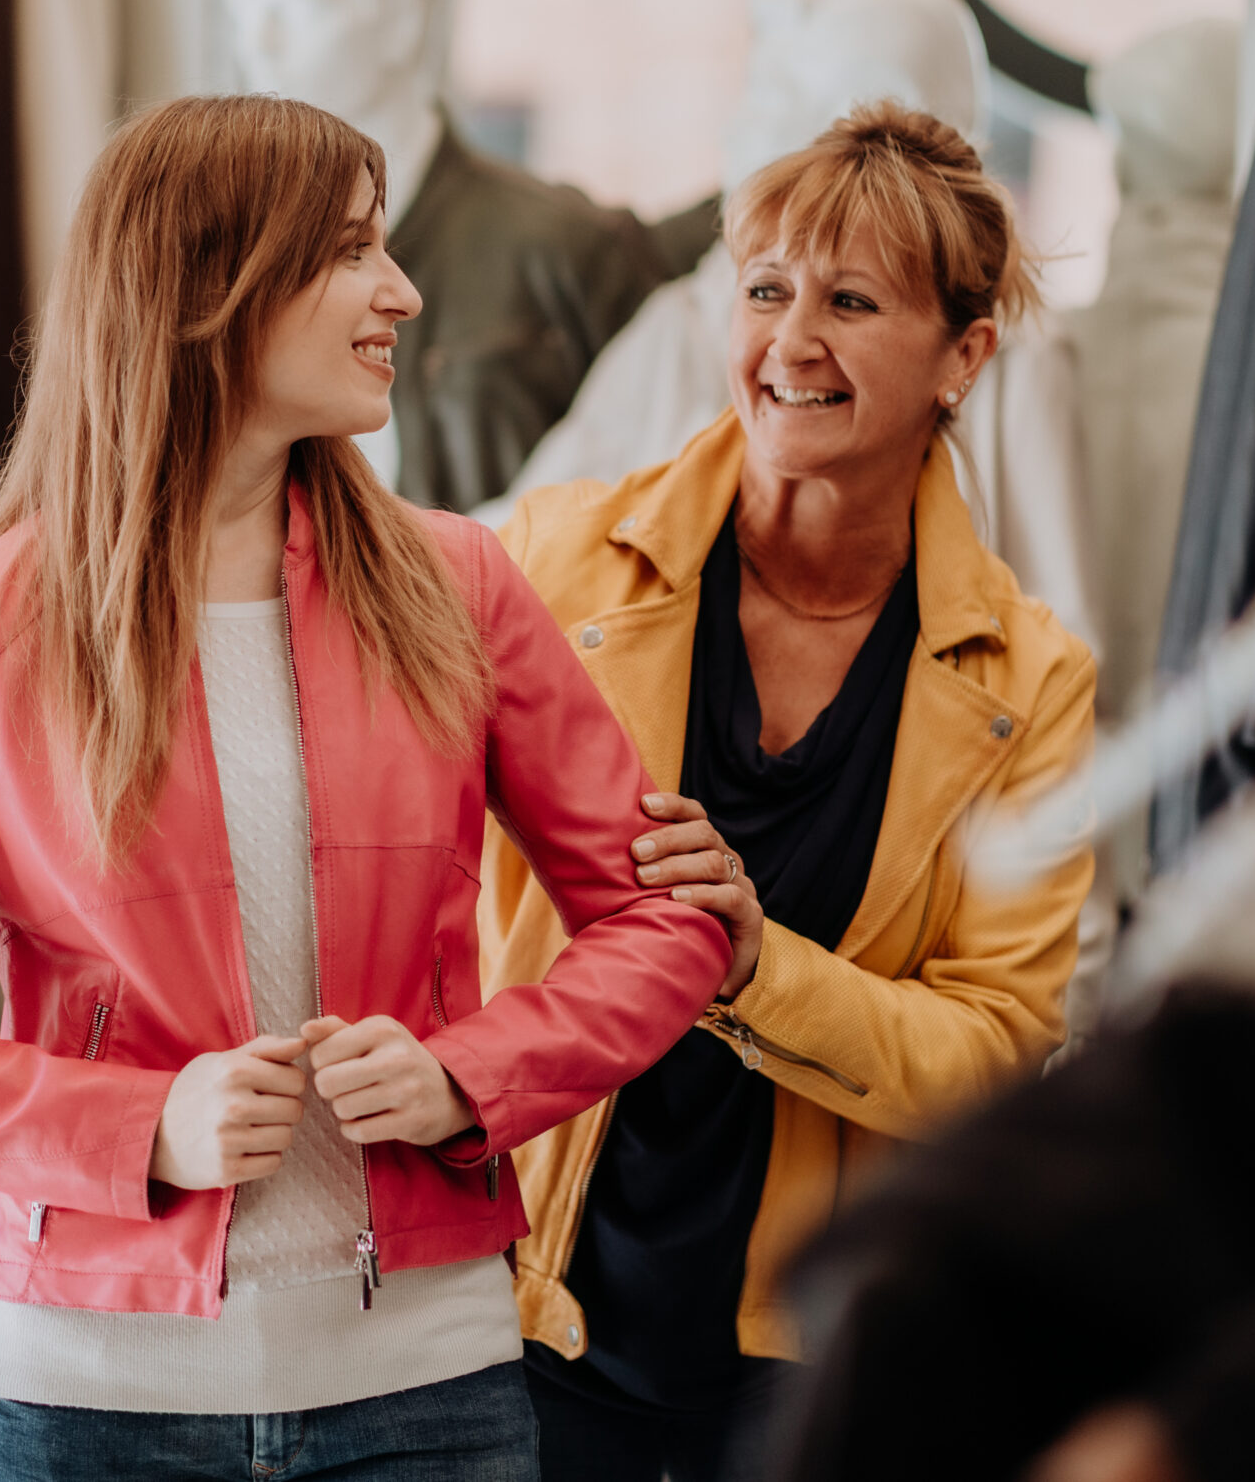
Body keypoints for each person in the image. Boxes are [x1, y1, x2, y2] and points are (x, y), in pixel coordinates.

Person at [0, 100, 1095, 1480]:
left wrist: (468, 1076)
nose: (405, 290)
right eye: (356, 251)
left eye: (852, 300)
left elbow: (687, 933)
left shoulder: (458, 585)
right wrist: (121, 1105)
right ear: (215, 284)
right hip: (89, 1378)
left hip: (443, 1375)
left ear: (966, 356)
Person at [487, 101, 1095, 1480]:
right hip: (525, 1315)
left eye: (851, 300)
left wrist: (758, 963)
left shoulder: (1031, 681)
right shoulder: (554, 563)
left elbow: (995, 1054)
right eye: (766, 291)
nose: (792, 341)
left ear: (965, 356)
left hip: (808, 1360)